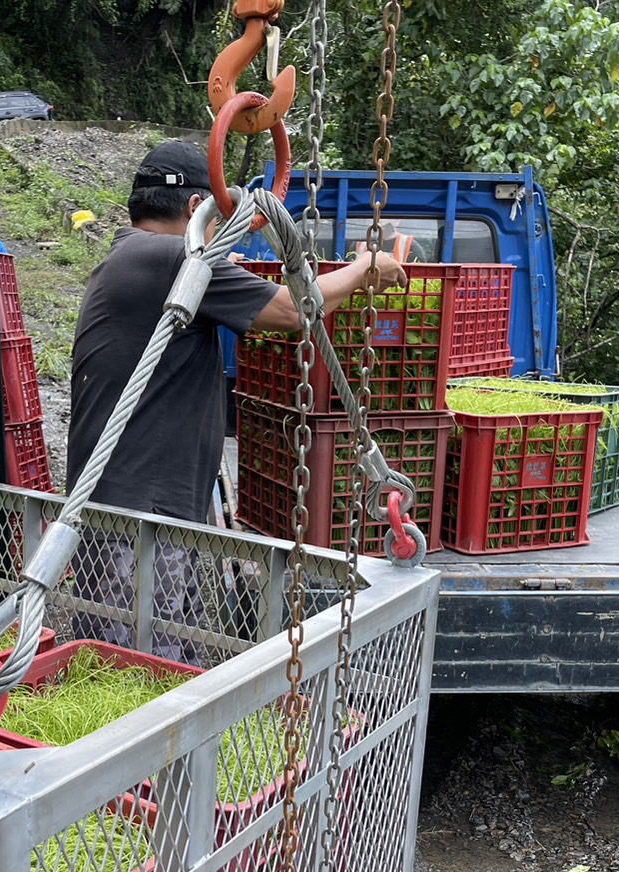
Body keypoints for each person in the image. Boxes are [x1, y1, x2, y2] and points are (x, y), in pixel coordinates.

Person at [66, 139, 406, 660]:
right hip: (137, 516)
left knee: (154, 652)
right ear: (194, 209)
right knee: (134, 665)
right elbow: (295, 311)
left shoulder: (133, 254)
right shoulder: (171, 258)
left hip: (133, 506)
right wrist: (365, 268)